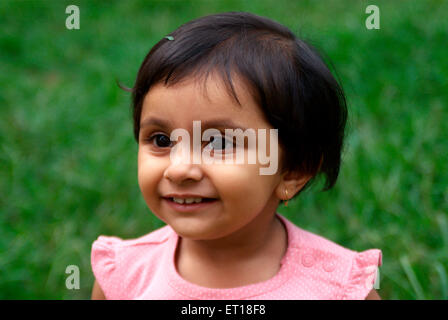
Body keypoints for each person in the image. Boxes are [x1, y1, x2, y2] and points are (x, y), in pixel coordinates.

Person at [91, 11, 382, 300]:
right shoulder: (123, 279)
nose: (179, 170)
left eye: (218, 143)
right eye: (162, 140)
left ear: (293, 170)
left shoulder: (337, 289)